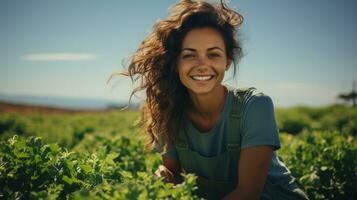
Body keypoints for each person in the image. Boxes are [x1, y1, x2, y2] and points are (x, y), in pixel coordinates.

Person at [113, 0, 309, 199]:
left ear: (227, 62)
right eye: (189, 55)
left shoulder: (255, 106)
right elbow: (173, 174)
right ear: (176, 64)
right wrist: (164, 176)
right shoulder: (167, 111)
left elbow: (248, 193)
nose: (202, 65)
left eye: (213, 54)